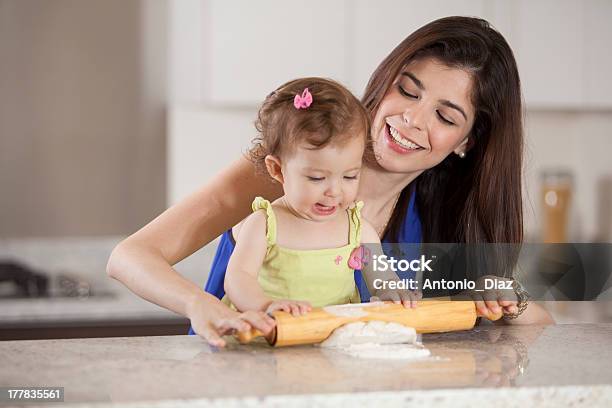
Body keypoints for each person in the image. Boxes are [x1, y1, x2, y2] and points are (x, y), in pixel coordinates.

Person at [107, 16, 553, 348]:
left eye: (444, 115)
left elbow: (545, 335)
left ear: (467, 140)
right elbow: (129, 257)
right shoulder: (283, 166)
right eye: (408, 90)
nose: (411, 119)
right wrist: (197, 304)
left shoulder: (440, 216)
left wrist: (509, 302)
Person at [223, 77, 406, 316]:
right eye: (317, 178)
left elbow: (382, 279)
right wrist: (265, 306)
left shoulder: (359, 229)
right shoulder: (265, 224)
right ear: (278, 170)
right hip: (272, 338)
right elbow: (239, 278)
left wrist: (392, 293)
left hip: (332, 340)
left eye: (350, 176)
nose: (334, 191)